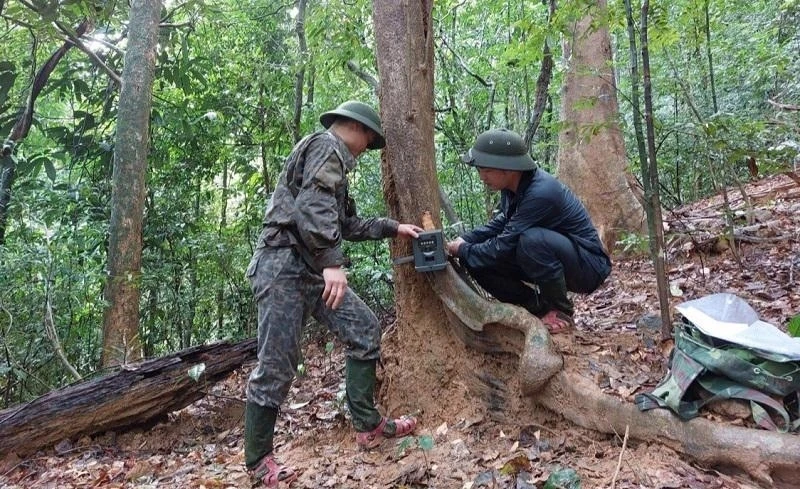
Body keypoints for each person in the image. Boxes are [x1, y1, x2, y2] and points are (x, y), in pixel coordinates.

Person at [244, 100, 422, 487]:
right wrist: (332, 264)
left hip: (309, 269)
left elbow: (345, 222)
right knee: (277, 362)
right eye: (369, 139)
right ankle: (258, 460)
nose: (367, 147)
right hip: (282, 267)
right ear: (356, 129)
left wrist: (395, 228)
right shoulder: (326, 146)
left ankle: (367, 424)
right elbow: (312, 208)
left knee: (363, 329)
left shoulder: (333, 161)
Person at [446, 128, 611, 333]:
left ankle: (560, 311)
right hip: (553, 260)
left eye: (486, 170)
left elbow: (503, 244)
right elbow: (501, 224)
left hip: (588, 267)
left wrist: (462, 249)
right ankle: (539, 310)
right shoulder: (511, 188)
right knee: (477, 261)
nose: (482, 177)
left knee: (531, 240)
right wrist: (464, 241)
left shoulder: (541, 192)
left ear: (507, 168)